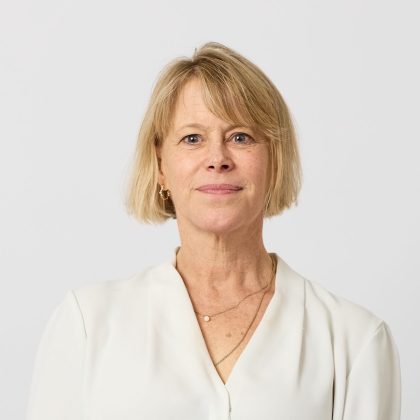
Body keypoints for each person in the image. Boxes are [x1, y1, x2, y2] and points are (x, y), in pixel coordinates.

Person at [25, 42, 401, 420]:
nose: (217, 159)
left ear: (274, 160)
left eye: (240, 137)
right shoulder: (88, 325)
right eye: (192, 138)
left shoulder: (354, 341)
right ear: (160, 165)